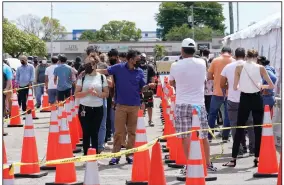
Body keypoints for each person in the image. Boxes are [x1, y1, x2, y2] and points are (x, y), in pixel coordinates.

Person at [96, 50, 156, 165]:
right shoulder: (118, 68)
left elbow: (142, 88)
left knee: (132, 133)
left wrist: (148, 86)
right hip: (121, 106)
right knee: (119, 132)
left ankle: (129, 155)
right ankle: (115, 156)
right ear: (130, 59)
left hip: (135, 106)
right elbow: (105, 71)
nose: (139, 62)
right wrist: (91, 71)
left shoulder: (139, 71)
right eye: (137, 59)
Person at [169, 38, 216, 176]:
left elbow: (171, 82)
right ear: (194, 50)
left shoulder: (175, 65)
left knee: (185, 136)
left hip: (182, 103)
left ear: (182, 50)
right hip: (199, 104)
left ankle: (190, 165)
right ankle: (207, 164)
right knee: (203, 135)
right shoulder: (202, 62)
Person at [223, 49, 274, 167]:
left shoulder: (240, 67)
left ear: (246, 56)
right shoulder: (260, 68)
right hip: (257, 98)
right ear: (256, 57)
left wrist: (244, 86)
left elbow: (235, 87)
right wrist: (261, 86)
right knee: (257, 129)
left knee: (239, 128)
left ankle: (233, 159)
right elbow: (271, 85)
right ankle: (257, 158)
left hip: (244, 98)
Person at [220, 48, 255, 157]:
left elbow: (221, 84)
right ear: (245, 55)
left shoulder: (228, 67)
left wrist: (230, 87)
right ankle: (253, 148)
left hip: (233, 99)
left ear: (234, 56)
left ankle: (239, 149)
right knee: (251, 124)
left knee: (234, 124)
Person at [75, 60, 109, 156]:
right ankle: (85, 154)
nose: (87, 67)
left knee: (95, 133)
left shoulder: (101, 77)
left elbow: (106, 93)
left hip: (98, 108)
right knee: (86, 132)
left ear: (95, 66)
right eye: (86, 65)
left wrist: (97, 94)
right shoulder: (83, 77)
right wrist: (87, 92)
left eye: (89, 65)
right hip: (84, 108)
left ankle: (94, 155)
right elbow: (76, 94)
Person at [207, 47, 233, 142]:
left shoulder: (215, 60)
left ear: (221, 52)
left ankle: (209, 137)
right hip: (230, 93)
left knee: (212, 114)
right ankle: (225, 137)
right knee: (228, 115)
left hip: (217, 92)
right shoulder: (233, 61)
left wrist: (217, 79)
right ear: (230, 52)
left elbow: (209, 76)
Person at [139, 53, 156, 126]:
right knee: (140, 105)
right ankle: (140, 121)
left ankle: (150, 120)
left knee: (149, 105)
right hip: (139, 89)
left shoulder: (150, 67)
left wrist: (152, 86)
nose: (142, 59)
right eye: (141, 58)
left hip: (148, 89)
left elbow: (152, 78)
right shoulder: (137, 67)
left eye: (143, 58)